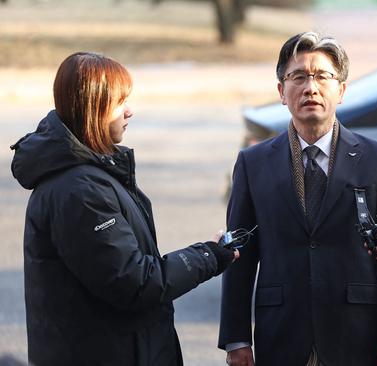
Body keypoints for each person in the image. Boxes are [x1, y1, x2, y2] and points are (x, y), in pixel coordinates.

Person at [10, 52, 239, 366]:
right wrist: (208, 256)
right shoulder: (80, 191)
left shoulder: (93, 174)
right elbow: (133, 281)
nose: (129, 111)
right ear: (93, 107)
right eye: (120, 102)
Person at [219, 31, 377, 366]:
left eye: (323, 76)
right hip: (280, 332)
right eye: (298, 77)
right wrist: (236, 339)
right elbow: (239, 254)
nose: (310, 87)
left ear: (341, 90)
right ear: (282, 91)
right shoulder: (253, 163)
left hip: (356, 331)